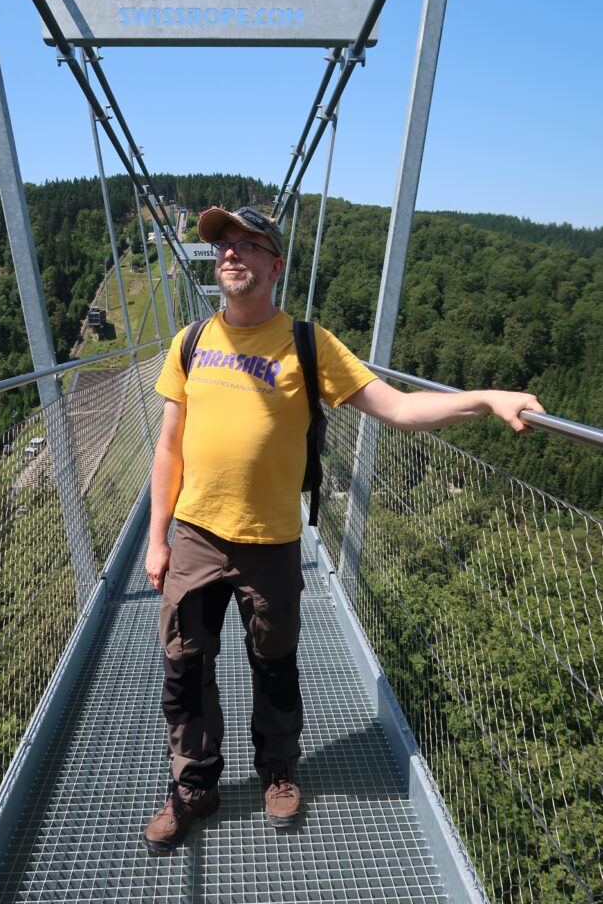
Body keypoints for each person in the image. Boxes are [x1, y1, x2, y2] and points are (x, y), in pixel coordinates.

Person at [141, 205, 545, 853]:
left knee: (273, 666)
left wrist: (485, 399)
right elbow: (168, 447)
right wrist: (156, 538)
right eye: (222, 245)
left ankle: (277, 771)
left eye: (248, 245)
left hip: (271, 541)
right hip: (195, 535)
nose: (229, 254)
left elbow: (399, 407)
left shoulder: (308, 343)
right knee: (183, 669)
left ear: (275, 264)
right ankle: (194, 787)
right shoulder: (189, 341)